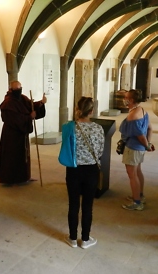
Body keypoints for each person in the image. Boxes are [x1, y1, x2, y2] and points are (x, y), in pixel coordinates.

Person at [64, 97, 104, 249]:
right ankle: (85, 240)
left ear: (77, 109)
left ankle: (73, 239)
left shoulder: (69, 127)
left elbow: (66, 148)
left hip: (73, 169)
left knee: (73, 204)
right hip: (91, 169)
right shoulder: (98, 128)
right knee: (88, 205)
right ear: (91, 111)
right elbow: (100, 151)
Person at [0, 80, 47, 185]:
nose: (19, 91)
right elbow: (14, 119)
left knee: (23, 156)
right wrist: (29, 117)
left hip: (22, 134)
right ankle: (10, 179)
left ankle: (24, 177)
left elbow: (30, 106)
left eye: (20, 88)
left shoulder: (22, 98)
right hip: (12, 135)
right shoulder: (8, 103)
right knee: (11, 156)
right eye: (17, 89)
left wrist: (41, 103)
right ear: (11, 90)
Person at [120, 89, 154, 211]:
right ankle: (139, 195)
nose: (124, 99)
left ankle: (137, 202)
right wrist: (147, 144)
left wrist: (146, 145)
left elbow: (140, 135)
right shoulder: (142, 110)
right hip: (139, 148)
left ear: (132, 100)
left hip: (133, 148)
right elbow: (149, 128)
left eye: (126, 97)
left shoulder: (133, 116)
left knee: (132, 174)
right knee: (138, 171)